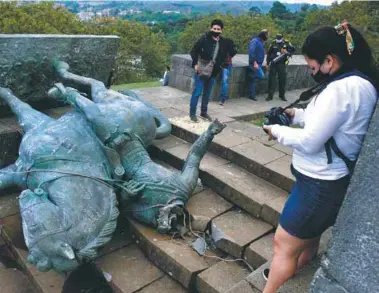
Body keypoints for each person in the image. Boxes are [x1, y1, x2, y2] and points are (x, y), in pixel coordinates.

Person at [262, 21, 378, 293]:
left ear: (329, 60)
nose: (313, 72)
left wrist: (276, 130)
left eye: (313, 66)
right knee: (308, 240)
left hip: (319, 186)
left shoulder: (340, 89)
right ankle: (295, 275)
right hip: (326, 182)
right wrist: (296, 115)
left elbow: (311, 142)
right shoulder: (356, 82)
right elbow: (331, 125)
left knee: (283, 244)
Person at [189, 19, 229, 122]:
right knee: (197, 92)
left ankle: (203, 112)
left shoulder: (223, 42)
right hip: (202, 70)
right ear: (211, 28)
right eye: (214, 28)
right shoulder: (204, 38)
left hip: (214, 72)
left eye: (218, 29)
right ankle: (192, 114)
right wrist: (195, 64)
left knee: (207, 94)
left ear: (221, 30)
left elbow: (224, 55)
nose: (216, 30)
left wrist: (222, 65)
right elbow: (194, 51)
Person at [266, 34, 295, 101]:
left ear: (282, 38)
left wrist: (287, 52)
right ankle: (270, 96)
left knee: (282, 80)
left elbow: (293, 50)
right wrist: (267, 63)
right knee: (271, 80)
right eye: (277, 38)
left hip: (282, 64)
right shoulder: (273, 43)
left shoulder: (286, 43)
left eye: (279, 38)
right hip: (273, 64)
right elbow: (269, 54)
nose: (278, 39)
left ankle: (282, 95)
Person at [247, 29, 268, 101]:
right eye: (266, 35)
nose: (267, 36)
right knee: (261, 76)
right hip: (255, 64)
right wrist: (254, 62)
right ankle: (251, 94)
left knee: (253, 79)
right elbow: (251, 51)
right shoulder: (255, 41)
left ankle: (251, 95)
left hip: (258, 63)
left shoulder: (260, 41)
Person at [219, 38, 237, 106]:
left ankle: (222, 98)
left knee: (223, 81)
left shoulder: (223, 46)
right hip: (228, 65)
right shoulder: (230, 47)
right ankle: (223, 99)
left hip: (223, 65)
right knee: (225, 82)